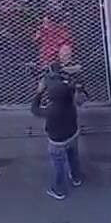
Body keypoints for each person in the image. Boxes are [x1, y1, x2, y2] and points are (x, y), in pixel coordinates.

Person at [31, 64, 84, 201]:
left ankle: (58, 189)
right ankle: (76, 178)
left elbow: (34, 109)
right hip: (72, 134)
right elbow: (73, 92)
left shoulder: (51, 111)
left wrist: (39, 91)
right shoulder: (70, 104)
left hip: (57, 142)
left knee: (58, 166)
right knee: (73, 157)